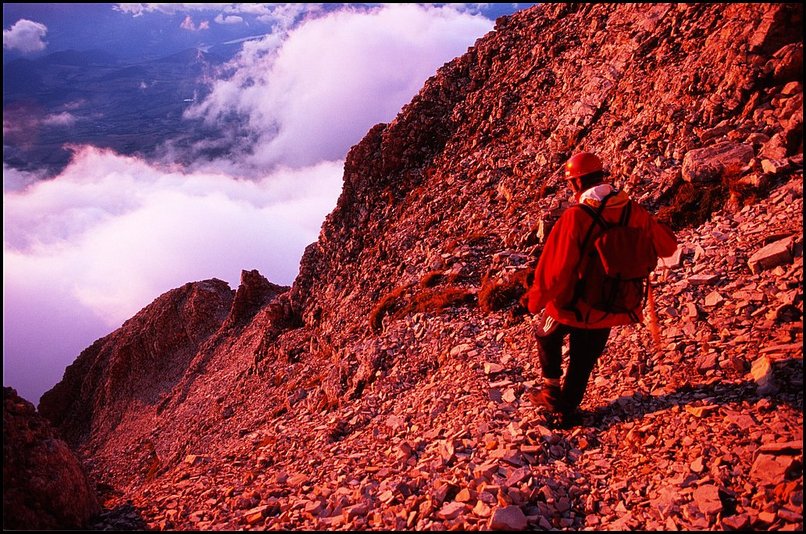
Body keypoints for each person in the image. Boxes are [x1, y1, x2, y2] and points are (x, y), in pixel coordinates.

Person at [522, 151, 678, 425]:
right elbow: (668, 246)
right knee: (583, 360)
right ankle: (567, 410)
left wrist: (533, 302)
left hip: (573, 306)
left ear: (576, 183)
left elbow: (553, 272)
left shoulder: (576, 217)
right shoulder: (633, 211)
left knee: (545, 332)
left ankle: (551, 391)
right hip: (614, 304)